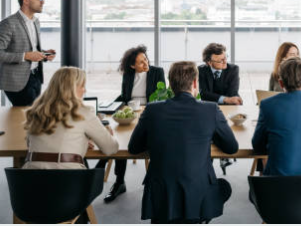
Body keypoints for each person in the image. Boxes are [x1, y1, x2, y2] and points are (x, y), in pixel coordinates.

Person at [129, 61, 238, 224]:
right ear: (195, 83)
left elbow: (134, 148)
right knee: (224, 187)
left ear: (170, 84)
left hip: (161, 195)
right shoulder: (210, 109)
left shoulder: (152, 110)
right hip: (197, 193)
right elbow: (231, 148)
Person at [100, 45, 166, 203]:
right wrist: (106, 107)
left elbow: (162, 96)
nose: (146, 63)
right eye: (141, 62)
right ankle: (119, 182)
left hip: (150, 113)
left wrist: (147, 109)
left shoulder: (157, 72)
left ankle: (156, 183)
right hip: (130, 113)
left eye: (146, 59)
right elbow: (124, 96)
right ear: (132, 66)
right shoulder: (128, 75)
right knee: (119, 140)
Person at [23, 67, 118, 169]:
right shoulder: (84, 112)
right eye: (82, 86)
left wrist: (81, 142)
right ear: (71, 88)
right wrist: (110, 135)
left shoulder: (36, 111)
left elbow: (31, 145)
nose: (84, 90)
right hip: (69, 180)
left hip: (30, 180)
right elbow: (111, 149)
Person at [0, 0, 56, 106]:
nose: (43, 1)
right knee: (24, 118)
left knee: (32, 117)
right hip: (17, 81)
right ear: (26, 0)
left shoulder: (35, 21)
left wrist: (44, 54)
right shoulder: (8, 23)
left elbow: (32, 49)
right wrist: (25, 56)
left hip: (35, 77)